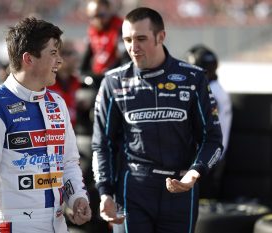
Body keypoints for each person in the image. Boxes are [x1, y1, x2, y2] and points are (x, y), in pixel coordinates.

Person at [91, 7, 223, 233]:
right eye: (127, 39)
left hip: (181, 187)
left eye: (141, 38)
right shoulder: (114, 82)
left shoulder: (193, 78)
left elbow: (213, 139)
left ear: (161, 36)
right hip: (134, 189)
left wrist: (193, 174)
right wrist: (105, 193)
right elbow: (102, 144)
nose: (133, 47)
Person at [0, 17, 91, 233]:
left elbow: (68, 162)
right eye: (53, 53)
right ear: (28, 59)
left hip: (57, 225)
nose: (60, 61)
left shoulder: (56, 103)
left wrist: (77, 197)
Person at [185, 44, 232, 198]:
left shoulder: (211, 94)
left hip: (208, 159)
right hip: (213, 156)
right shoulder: (216, 89)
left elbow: (200, 129)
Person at [81, 0, 129, 89]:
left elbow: (125, 59)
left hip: (115, 78)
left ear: (109, 11)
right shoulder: (93, 31)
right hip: (97, 77)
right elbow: (86, 58)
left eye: (100, 16)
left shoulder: (121, 28)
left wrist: (108, 76)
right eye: (92, 17)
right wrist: (83, 75)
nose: (96, 21)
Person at [49, 40, 81, 128]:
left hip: (71, 134)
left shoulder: (76, 81)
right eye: (70, 53)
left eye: (75, 53)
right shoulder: (45, 83)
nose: (75, 57)